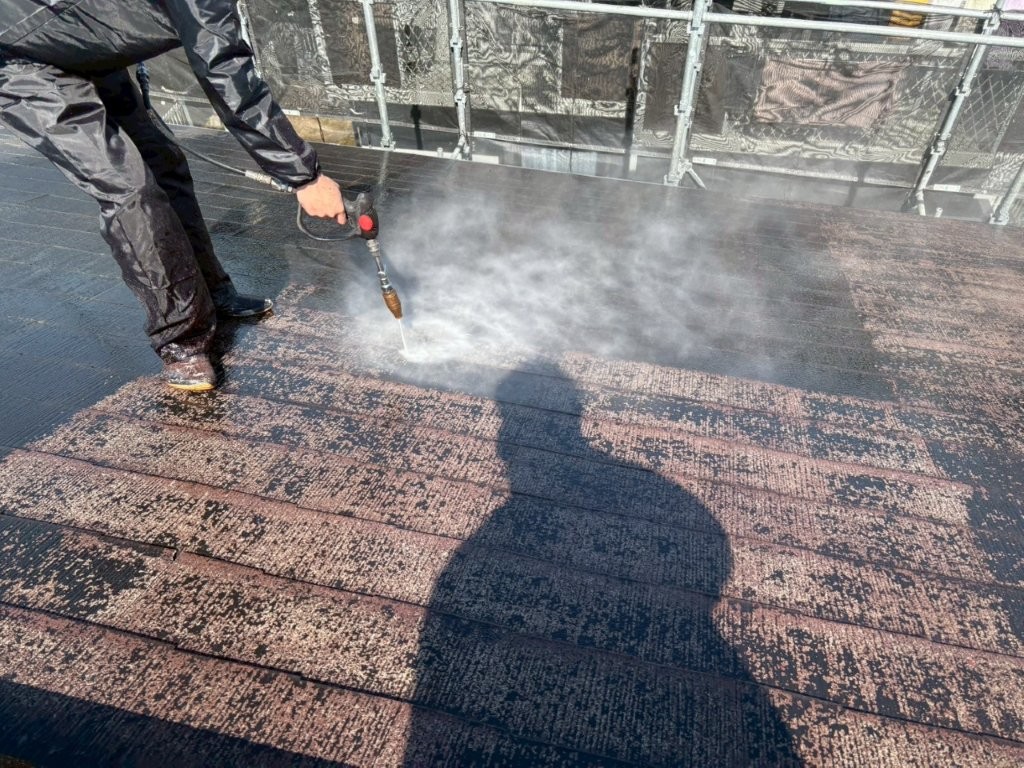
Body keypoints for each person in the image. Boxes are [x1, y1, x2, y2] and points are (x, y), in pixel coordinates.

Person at [0, 1, 349, 391]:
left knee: (163, 161)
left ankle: (212, 293)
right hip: (19, 61)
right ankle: (181, 338)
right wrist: (304, 176)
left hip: (81, 45)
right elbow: (224, 69)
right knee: (129, 187)